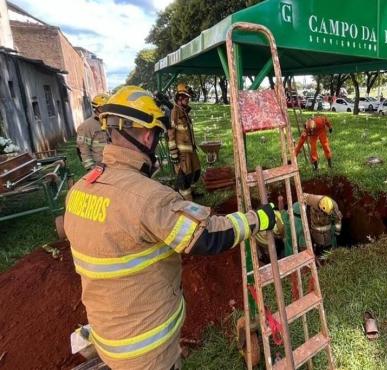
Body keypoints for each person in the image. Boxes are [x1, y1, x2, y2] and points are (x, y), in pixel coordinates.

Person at [64, 86, 276, 370]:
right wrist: (259, 219)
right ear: (149, 136)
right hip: (148, 352)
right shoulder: (147, 197)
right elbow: (208, 236)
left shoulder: (80, 189)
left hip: (109, 338)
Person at [168, 83, 201, 200]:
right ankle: (187, 200)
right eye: (186, 98)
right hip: (182, 152)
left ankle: (193, 193)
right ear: (179, 98)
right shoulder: (175, 111)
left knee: (195, 171)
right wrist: (174, 153)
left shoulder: (184, 111)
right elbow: (171, 132)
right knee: (184, 177)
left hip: (191, 149)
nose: (188, 100)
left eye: (188, 98)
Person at [77, 93, 110, 170]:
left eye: (108, 107)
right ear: (98, 108)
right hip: (99, 166)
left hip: (114, 165)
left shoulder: (112, 122)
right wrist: (91, 168)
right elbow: (83, 149)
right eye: (104, 108)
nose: (107, 110)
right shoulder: (86, 126)